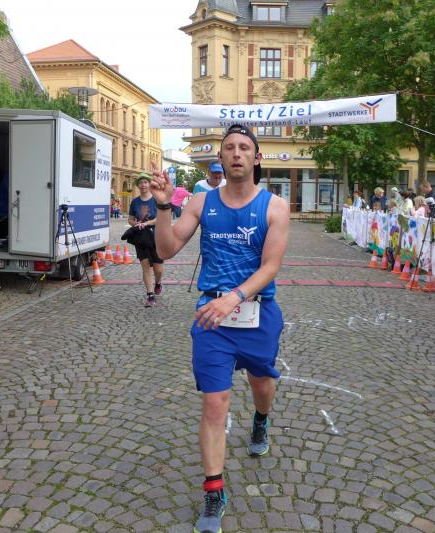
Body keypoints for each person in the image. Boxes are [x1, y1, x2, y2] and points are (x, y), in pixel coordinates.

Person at [150, 124, 289, 533]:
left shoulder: (275, 207)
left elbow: (271, 266)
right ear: (221, 158)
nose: (237, 153)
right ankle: (214, 492)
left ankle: (261, 419)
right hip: (212, 315)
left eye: (245, 147)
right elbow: (166, 249)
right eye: (230, 147)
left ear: (256, 158)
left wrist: (236, 297)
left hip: (257, 313)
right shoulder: (201, 201)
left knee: (262, 383)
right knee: (215, 402)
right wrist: (163, 207)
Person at [128, 173, 164, 307]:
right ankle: (150, 295)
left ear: (149, 184)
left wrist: (147, 223)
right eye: (141, 183)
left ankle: (158, 282)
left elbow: (161, 217)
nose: (143, 185)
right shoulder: (135, 202)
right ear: (138, 185)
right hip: (141, 236)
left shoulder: (156, 199)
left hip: (156, 235)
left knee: (158, 268)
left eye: (145, 182)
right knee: (145, 265)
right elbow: (130, 219)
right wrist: (136, 224)